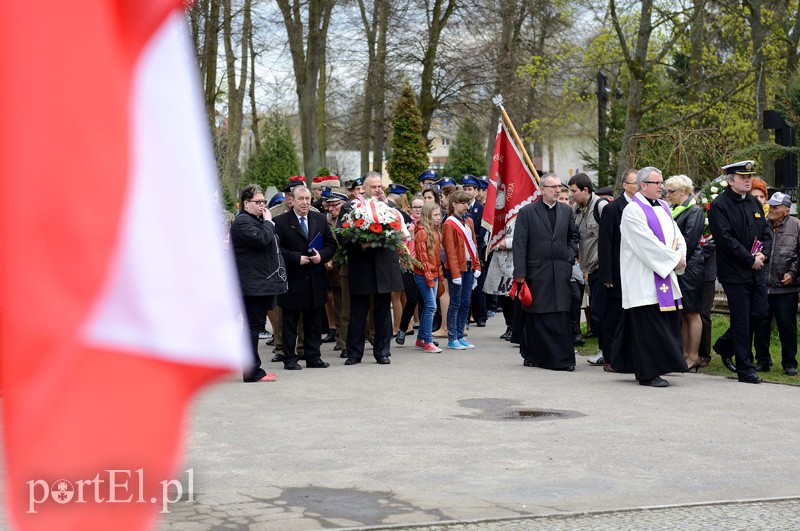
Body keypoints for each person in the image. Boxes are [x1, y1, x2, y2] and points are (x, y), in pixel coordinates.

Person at [616, 167, 689, 387]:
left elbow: (677, 236)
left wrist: (681, 255)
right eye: (657, 183)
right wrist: (673, 260)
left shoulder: (665, 207)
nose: (662, 187)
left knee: (664, 326)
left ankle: (660, 366)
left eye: (662, 182)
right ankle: (648, 373)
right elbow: (645, 244)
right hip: (644, 279)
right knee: (648, 329)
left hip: (664, 274)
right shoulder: (633, 211)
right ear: (643, 185)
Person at [708, 160, 772, 384]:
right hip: (735, 273)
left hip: (756, 270)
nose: (748, 180)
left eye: (749, 177)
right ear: (730, 180)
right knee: (742, 319)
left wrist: (763, 254)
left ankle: (725, 345)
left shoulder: (753, 202)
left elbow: (766, 232)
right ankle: (745, 368)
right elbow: (725, 240)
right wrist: (749, 259)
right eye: (742, 177)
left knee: (761, 313)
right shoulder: (720, 205)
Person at [513, 174, 580, 370]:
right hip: (536, 271)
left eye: (559, 187)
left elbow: (573, 237)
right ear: (542, 190)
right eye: (552, 187)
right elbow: (519, 244)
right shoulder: (527, 212)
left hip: (560, 270)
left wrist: (568, 258)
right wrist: (520, 272)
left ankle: (562, 360)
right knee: (538, 314)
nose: (557, 190)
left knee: (560, 312)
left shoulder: (566, 211)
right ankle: (534, 354)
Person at [342, 172, 404, 365]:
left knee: (383, 312)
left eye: (380, 186)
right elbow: (343, 236)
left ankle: (382, 352)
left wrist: (389, 208)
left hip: (384, 266)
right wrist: (361, 244)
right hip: (361, 266)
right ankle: (354, 353)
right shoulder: (350, 207)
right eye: (373, 187)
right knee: (358, 312)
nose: (378, 190)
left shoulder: (390, 208)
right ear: (364, 188)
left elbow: (402, 229)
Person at [274, 186, 337, 370]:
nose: (305, 202)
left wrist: (322, 256)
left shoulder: (318, 218)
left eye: (308, 199)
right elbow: (277, 249)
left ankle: (313, 356)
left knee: (314, 321)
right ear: (292, 200)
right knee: (290, 322)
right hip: (293, 279)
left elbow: (331, 244)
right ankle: (290, 358)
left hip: (315, 278)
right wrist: (295, 258)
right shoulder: (281, 221)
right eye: (301, 199)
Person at [230, 184, 286, 382]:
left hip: (260, 282)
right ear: (246, 203)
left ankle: (250, 368)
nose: (262, 206)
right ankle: (252, 371)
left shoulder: (255, 220)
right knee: (253, 326)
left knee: (254, 325)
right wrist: (269, 222)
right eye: (258, 202)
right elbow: (262, 239)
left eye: (263, 202)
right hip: (252, 284)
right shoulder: (243, 222)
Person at [754, 192, 799, 375]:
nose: (771, 209)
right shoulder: (762, 225)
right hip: (763, 284)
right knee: (761, 324)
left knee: (787, 326)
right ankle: (763, 360)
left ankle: (789, 363)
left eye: (776, 207)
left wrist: (793, 273)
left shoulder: (796, 226)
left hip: (786, 285)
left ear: (786, 210)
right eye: (770, 206)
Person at [665, 174, 706, 371]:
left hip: (689, 265)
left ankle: (693, 355)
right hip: (677, 264)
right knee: (681, 311)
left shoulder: (694, 211)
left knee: (692, 311)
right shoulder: (673, 210)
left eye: (671, 191)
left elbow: (689, 241)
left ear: (683, 191)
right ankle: (681, 353)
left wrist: (673, 260)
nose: (667, 195)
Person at [599, 168, 637, 373]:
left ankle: (629, 355)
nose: (639, 186)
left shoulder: (643, 207)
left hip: (635, 272)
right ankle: (609, 357)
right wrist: (607, 274)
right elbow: (605, 244)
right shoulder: (613, 209)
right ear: (625, 185)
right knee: (613, 316)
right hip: (616, 272)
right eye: (635, 182)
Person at [568, 172, 608, 365]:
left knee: (601, 312)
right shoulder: (577, 209)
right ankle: (605, 350)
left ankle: (606, 351)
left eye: (574, 191)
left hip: (602, 268)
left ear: (585, 190)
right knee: (596, 311)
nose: (571, 195)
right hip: (588, 268)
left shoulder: (601, 207)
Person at [442, 189, 481, 350]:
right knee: (455, 303)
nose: (466, 205)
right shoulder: (448, 224)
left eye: (466, 203)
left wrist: (477, 264)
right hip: (457, 269)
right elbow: (450, 250)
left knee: (465, 303)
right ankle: (452, 338)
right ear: (454, 204)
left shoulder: (469, 221)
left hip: (469, 266)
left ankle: (460, 335)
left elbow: (474, 245)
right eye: (462, 203)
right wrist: (455, 272)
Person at [412, 202, 446, 352]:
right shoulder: (422, 233)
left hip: (432, 274)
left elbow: (436, 258)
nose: (439, 218)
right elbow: (423, 258)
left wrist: (439, 275)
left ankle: (421, 338)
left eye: (440, 215)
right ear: (428, 216)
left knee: (429, 306)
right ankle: (427, 341)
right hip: (423, 274)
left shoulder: (435, 232)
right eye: (436, 215)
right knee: (431, 306)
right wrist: (430, 278)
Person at [397, 194, 425, 345]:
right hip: (408, 266)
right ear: (410, 208)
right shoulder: (406, 223)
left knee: (426, 301)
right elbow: (400, 247)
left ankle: (425, 335)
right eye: (415, 207)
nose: (418, 210)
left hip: (425, 267)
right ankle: (402, 328)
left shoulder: (427, 223)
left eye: (421, 207)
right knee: (412, 299)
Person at [463, 175, 488, 327]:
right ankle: (466, 316)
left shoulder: (481, 208)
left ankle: (480, 316)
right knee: (465, 286)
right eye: (465, 189)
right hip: (464, 252)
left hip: (477, 250)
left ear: (476, 191)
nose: (467, 192)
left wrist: (473, 246)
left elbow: (482, 231)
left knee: (478, 286)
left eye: (470, 189)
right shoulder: (461, 208)